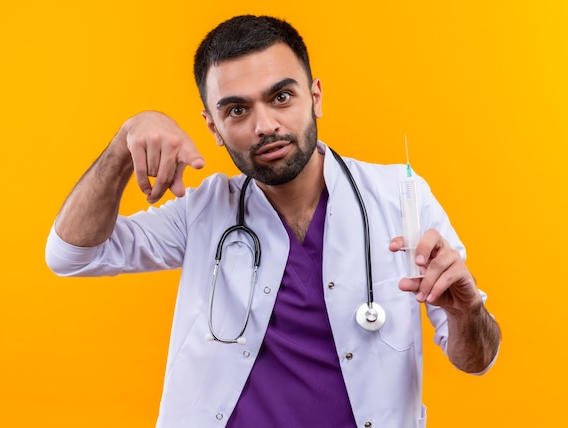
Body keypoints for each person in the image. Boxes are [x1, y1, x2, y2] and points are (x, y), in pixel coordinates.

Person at [45, 15, 501, 428]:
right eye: (237, 110)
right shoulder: (205, 211)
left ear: (315, 97)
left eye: (281, 96)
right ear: (214, 128)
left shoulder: (400, 199)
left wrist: (467, 312)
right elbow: (70, 255)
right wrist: (126, 142)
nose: (264, 125)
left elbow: (476, 360)